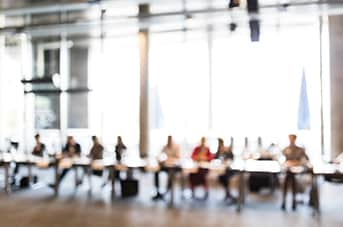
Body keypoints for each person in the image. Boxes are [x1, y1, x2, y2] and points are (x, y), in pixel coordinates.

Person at [281, 134, 309, 211]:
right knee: (288, 177)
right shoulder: (285, 149)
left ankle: (293, 200)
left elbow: (306, 159)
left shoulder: (300, 149)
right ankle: (285, 200)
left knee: (292, 179)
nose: (291, 140)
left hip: (297, 169)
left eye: (293, 138)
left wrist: (299, 163)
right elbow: (283, 159)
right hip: (288, 169)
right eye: (290, 138)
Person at [152, 135, 180, 200]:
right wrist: (160, 160)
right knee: (156, 171)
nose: (169, 141)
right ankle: (157, 191)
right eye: (168, 140)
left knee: (171, 174)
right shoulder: (165, 146)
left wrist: (170, 158)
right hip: (165, 165)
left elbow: (178, 157)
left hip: (172, 166)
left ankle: (167, 191)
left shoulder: (176, 147)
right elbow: (160, 155)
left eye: (170, 140)